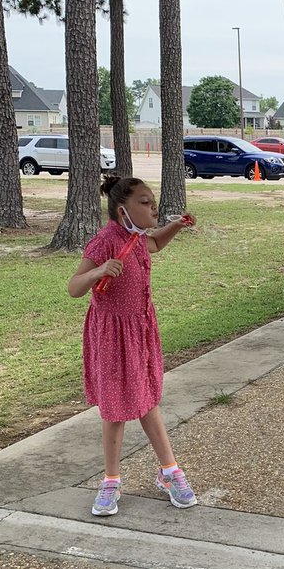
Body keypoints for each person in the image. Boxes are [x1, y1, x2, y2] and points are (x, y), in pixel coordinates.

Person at [68, 176, 198, 517]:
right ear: (122, 210)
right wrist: (97, 272)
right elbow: (73, 288)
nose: (152, 205)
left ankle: (168, 472)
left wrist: (176, 226)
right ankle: (111, 480)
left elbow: (154, 244)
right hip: (112, 336)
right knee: (115, 409)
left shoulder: (138, 238)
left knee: (147, 400)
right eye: (144, 201)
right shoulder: (105, 241)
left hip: (140, 330)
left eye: (152, 199)